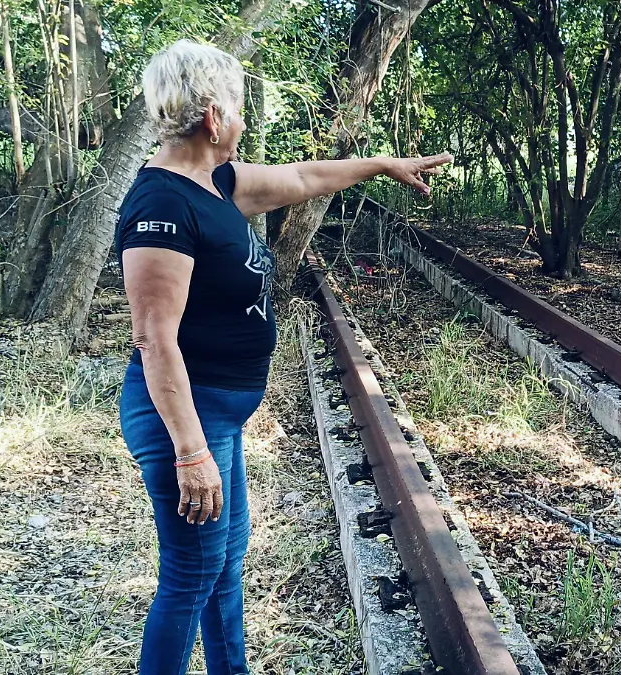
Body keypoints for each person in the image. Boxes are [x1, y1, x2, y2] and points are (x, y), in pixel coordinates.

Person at [116, 39, 451, 675]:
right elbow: (154, 338)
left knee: (224, 558)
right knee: (191, 572)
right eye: (240, 110)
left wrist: (381, 164)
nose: (244, 123)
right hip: (186, 419)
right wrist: (191, 451)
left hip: (219, 413)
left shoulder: (214, 182)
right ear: (214, 117)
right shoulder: (163, 203)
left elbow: (303, 179)